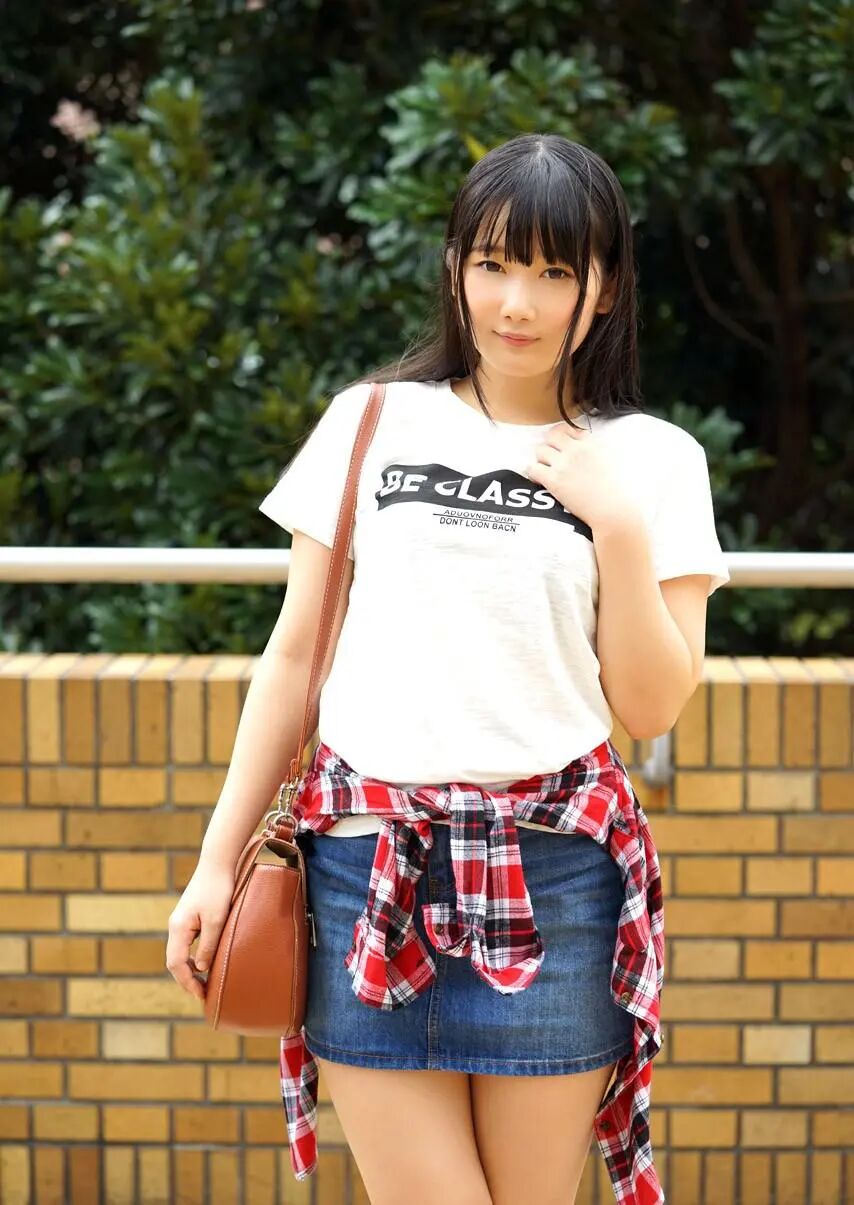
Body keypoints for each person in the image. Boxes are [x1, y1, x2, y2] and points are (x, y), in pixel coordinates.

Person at [167, 133, 730, 1205]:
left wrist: (615, 524)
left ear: (606, 287)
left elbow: (652, 703)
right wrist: (214, 860)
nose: (517, 301)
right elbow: (295, 656)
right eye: (492, 263)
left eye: (553, 271)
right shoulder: (372, 420)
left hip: (553, 883)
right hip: (366, 869)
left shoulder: (655, 459)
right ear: (455, 267)